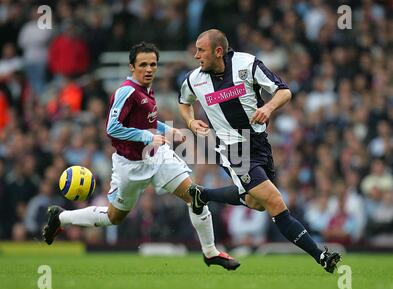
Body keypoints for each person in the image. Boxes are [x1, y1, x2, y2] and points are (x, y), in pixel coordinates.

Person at [42, 42, 240, 271]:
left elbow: (147, 121)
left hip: (157, 157)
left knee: (195, 195)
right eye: (143, 64)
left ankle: (210, 252)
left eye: (153, 64)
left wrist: (168, 130)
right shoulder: (126, 91)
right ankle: (62, 218)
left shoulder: (147, 89)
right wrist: (148, 137)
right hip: (130, 165)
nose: (149, 69)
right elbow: (112, 128)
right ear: (131, 67)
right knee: (114, 217)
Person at [178, 29, 341, 273]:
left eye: (201, 50)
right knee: (275, 201)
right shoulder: (195, 79)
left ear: (218, 51)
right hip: (233, 148)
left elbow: (284, 91)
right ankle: (322, 256)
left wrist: (269, 107)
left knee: (257, 203)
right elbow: (184, 103)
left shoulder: (247, 64)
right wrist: (190, 122)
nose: (196, 55)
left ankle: (204, 194)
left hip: (259, 144)